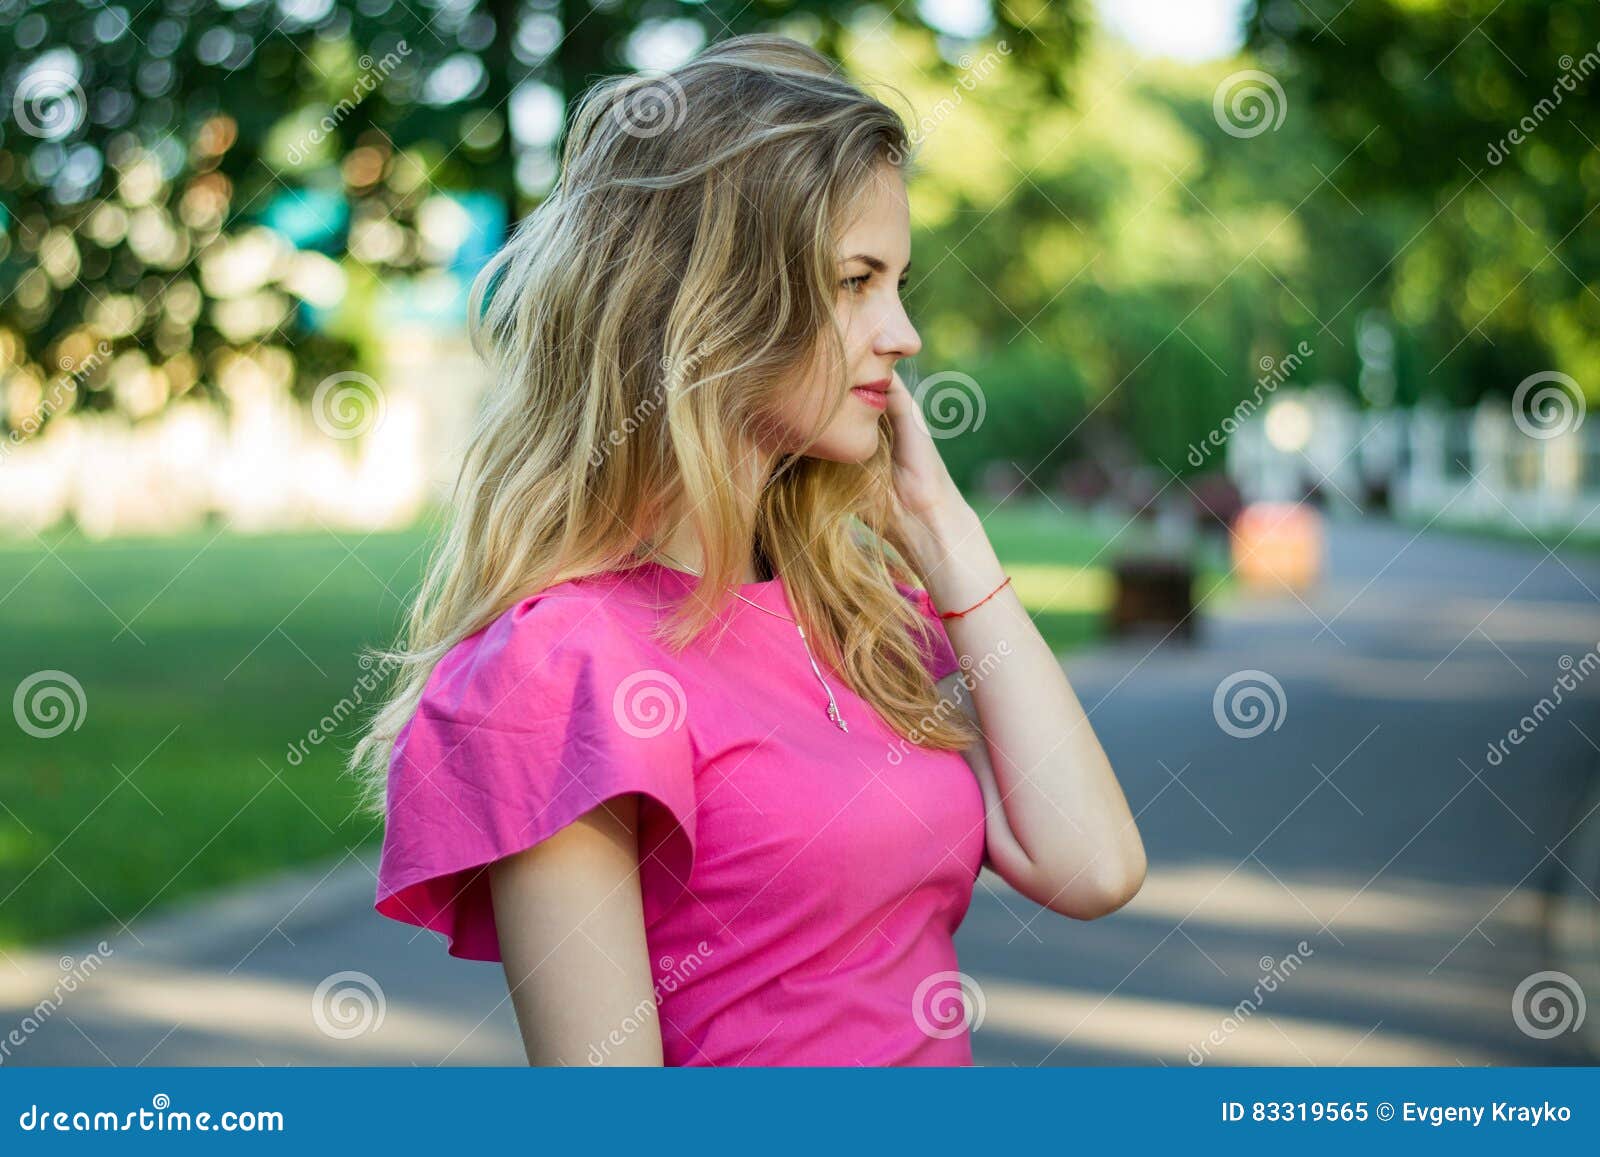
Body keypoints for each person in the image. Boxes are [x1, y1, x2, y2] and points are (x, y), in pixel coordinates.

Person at [346, 32, 1145, 1067]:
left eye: (898, 281)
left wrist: (949, 542)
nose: (901, 332)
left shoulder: (856, 616)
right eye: (857, 280)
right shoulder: (565, 667)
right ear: (716, 304)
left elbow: (1091, 863)